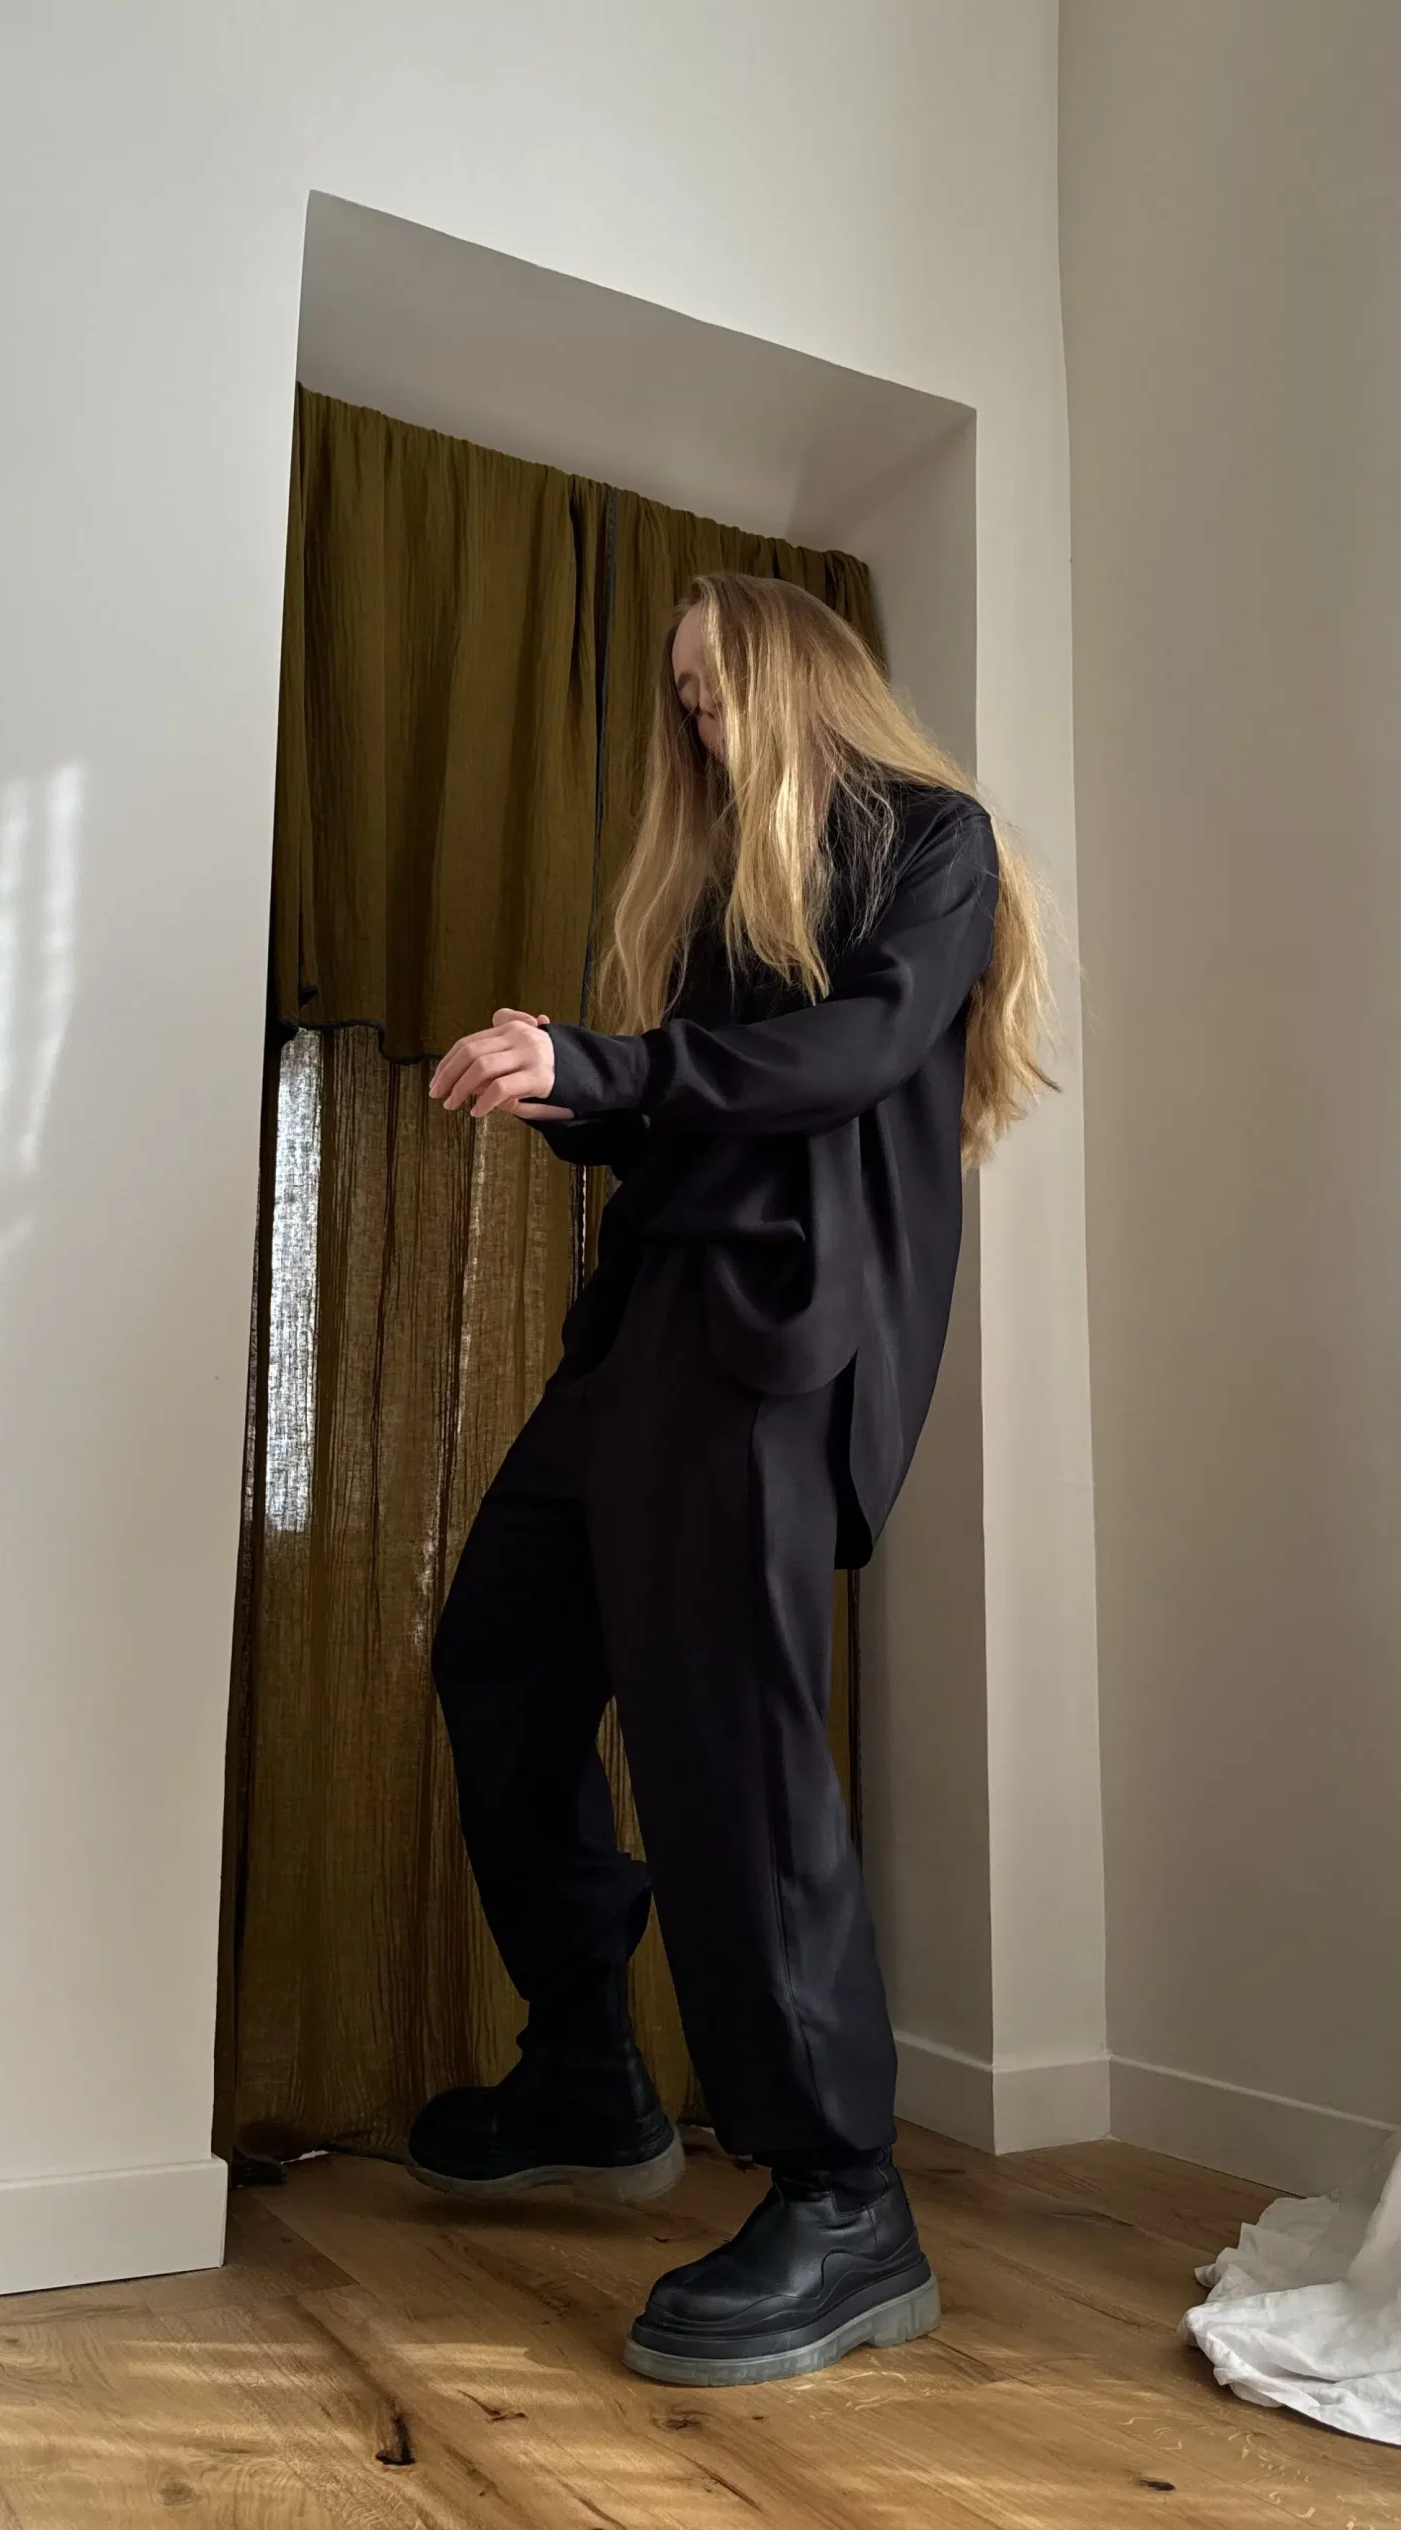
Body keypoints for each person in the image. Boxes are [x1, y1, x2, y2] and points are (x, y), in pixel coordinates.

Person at [409, 571, 1052, 2386]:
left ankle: (847, 2198)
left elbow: (849, 1054)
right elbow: (698, 1102)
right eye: (681, 698)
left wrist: (613, 1061)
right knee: (500, 1660)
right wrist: (577, 1091)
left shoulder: (930, 842)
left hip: (772, 1342)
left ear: (798, 672)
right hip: (641, 1338)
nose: (695, 720)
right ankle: (586, 2067)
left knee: (729, 1746)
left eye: (715, 687)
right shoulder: (723, 898)